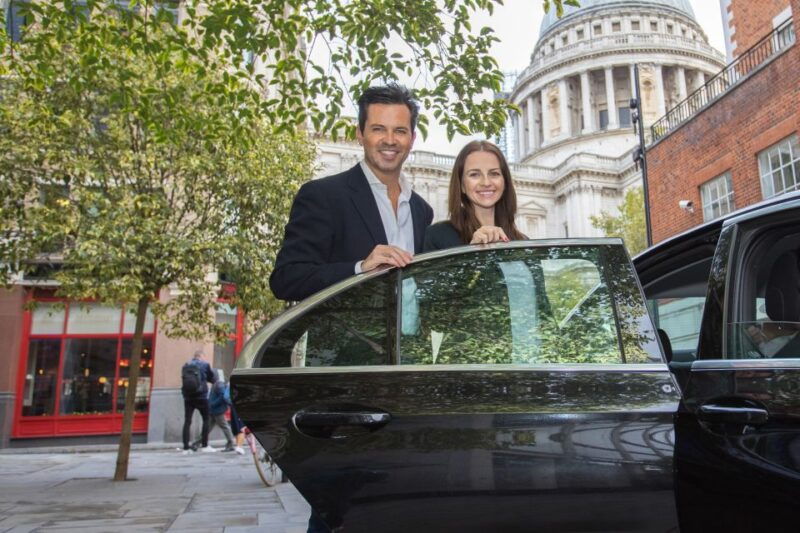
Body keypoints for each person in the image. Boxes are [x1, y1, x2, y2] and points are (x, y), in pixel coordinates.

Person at [270, 83, 434, 302]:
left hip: (411, 337)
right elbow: (286, 279)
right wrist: (359, 270)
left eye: (400, 131)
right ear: (360, 133)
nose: (390, 140)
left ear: (412, 139)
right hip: (346, 336)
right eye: (378, 129)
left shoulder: (421, 210)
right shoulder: (322, 196)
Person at [423, 140, 526, 252]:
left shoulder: (522, 242)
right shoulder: (438, 236)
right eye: (474, 175)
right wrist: (472, 252)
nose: (486, 183)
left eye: (494, 173)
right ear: (461, 185)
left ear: (505, 182)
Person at [180, 350, 217, 454]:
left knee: (187, 421)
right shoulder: (205, 365)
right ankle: (205, 445)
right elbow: (212, 379)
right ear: (201, 356)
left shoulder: (186, 365)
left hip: (188, 397)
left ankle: (186, 448)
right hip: (202, 397)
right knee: (206, 419)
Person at [192, 369, 238, 452]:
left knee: (224, 426)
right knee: (208, 427)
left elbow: (222, 397)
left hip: (217, 410)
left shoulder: (219, 384)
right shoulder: (217, 383)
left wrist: (213, 404)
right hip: (214, 410)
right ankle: (197, 442)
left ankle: (231, 443)